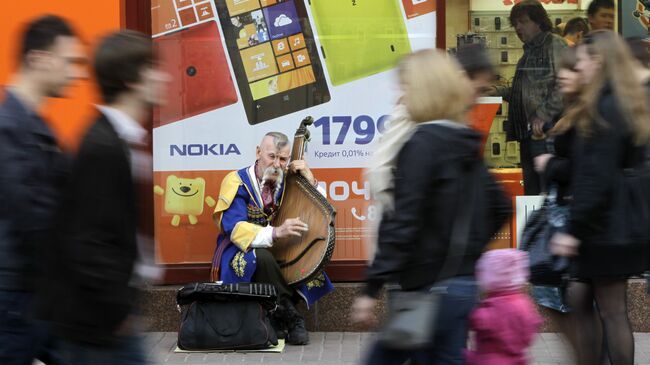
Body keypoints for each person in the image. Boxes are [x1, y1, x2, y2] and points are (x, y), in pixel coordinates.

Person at [351, 49, 512, 365]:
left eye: (406, 87)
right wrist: (464, 252)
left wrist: (371, 289)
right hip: (463, 287)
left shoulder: (423, 142)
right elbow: (501, 205)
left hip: (425, 289)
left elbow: (404, 221)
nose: (402, 96)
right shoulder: (464, 139)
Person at [43, 30, 169, 365]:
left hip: (108, 318)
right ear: (131, 79)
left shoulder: (120, 139)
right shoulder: (102, 147)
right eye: (152, 68)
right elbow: (86, 242)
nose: (163, 76)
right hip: (99, 327)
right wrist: (117, 311)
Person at [550, 30, 650, 365]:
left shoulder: (604, 107)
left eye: (582, 62)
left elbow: (596, 176)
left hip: (605, 225)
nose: (579, 69)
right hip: (620, 222)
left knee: (610, 310)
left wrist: (573, 230)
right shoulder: (624, 100)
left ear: (599, 61)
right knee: (596, 304)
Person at [0, 15, 86, 365]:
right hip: (18, 298)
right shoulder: (10, 129)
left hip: (35, 295)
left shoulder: (34, 125)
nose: (77, 73)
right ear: (38, 59)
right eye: (70, 62)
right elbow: (33, 216)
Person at [364, 43, 496, 261]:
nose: (478, 98)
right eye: (478, 89)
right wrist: (408, 219)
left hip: (438, 257)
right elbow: (379, 173)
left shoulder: (454, 116)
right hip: (412, 255)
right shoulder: (415, 111)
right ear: (460, 79)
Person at [209, 132, 334, 345]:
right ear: (258, 153)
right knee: (263, 258)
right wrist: (275, 233)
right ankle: (289, 314)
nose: (277, 163)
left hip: (279, 245)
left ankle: (273, 315)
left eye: (283, 159)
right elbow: (234, 228)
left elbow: (319, 210)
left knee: (302, 257)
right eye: (272, 156)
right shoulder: (236, 181)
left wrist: (309, 178)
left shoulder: (289, 181)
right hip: (241, 248)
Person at [492, 0, 567, 195]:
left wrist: (543, 114)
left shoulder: (554, 44)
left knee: (545, 191)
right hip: (529, 133)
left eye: (523, 21)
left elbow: (564, 85)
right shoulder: (528, 53)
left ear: (539, 22)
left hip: (545, 132)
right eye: (515, 23)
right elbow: (522, 91)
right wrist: (497, 92)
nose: (517, 27)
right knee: (533, 192)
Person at [465, 249, 542, 365]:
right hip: (518, 359)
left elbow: (478, 320)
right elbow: (534, 322)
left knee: (461, 355)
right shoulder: (523, 302)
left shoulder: (493, 305)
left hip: (490, 360)